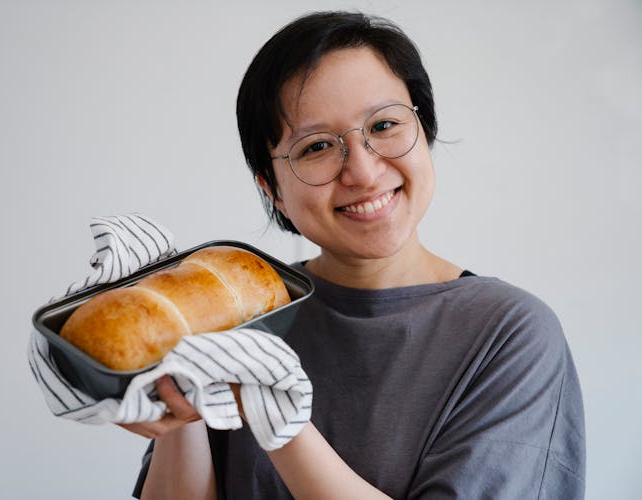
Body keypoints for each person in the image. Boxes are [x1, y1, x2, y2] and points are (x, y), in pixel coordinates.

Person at [124, 11, 585, 499]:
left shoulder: (510, 333)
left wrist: (278, 415)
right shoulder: (245, 314)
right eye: (317, 146)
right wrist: (176, 410)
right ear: (272, 188)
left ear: (423, 130)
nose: (363, 172)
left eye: (384, 124)